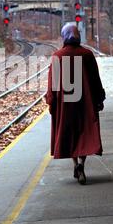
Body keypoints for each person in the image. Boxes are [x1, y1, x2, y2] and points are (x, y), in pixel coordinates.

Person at [46, 23, 106, 185]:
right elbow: (95, 80)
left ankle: (75, 165)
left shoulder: (58, 56)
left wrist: (51, 102)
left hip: (66, 105)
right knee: (84, 133)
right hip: (85, 103)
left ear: (64, 36)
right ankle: (81, 164)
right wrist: (99, 98)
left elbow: (53, 84)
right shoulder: (87, 55)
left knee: (69, 134)